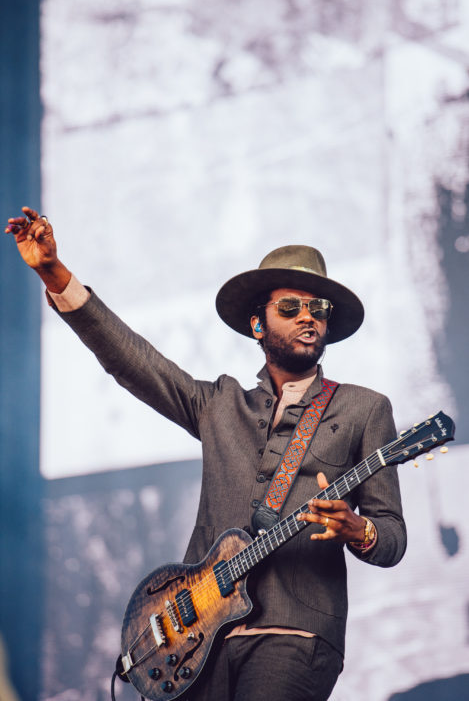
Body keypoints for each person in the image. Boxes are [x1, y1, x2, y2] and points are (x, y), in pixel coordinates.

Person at [5, 207, 406, 701]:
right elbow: (133, 361)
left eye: (318, 309)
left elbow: (392, 536)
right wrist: (54, 274)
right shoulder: (221, 403)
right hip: (200, 639)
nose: (308, 316)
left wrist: (359, 529)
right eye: (290, 307)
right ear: (258, 324)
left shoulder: (365, 408)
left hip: (296, 635)